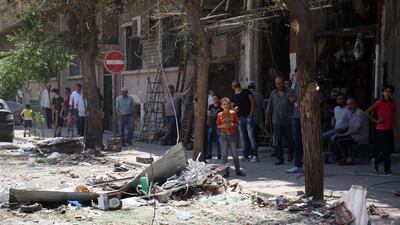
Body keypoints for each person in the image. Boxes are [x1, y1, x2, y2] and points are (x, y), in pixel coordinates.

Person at [365, 84, 396, 175]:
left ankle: (376, 160)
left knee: (390, 150)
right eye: (386, 91)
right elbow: (366, 112)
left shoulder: (393, 104)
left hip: (390, 130)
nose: (387, 93)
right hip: (381, 129)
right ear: (383, 92)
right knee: (386, 150)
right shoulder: (379, 102)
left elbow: (394, 117)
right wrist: (376, 120)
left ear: (391, 93)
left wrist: (396, 129)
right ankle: (387, 170)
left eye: (389, 91)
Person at [265, 77, 295, 165]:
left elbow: (295, 104)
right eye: (278, 83)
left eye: (281, 83)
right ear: (275, 84)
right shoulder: (273, 93)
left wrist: (292, 100)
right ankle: (280, 159)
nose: (280, 85)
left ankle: (290, 153)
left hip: (288, 120)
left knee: (290, 139)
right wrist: (266, 120)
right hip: (276, 121)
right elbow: (269, 108)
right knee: (278, 140)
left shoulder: (290, 91)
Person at [333, 98, 369, 165]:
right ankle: (344, 157)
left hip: (360, 137)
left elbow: (357, 130)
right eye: (348, 104)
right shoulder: (352, 113)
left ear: (356, 104)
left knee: (338, 140)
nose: (350, 106)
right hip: (354, 136)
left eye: (352, 104)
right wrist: (344, 133)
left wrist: (345, 134)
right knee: (337, 138)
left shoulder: (359, 113)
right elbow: (351, 127)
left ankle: (347, 159)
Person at [231, 80, 258, 162]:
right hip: (240, 117)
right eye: (233, 84)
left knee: (251, 137)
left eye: (235, 84)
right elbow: (232, 107)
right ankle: (245, 154)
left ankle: (255, 155)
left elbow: (252, 102)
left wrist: (251, 113)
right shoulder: (234, 96)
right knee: (243, 138)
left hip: (247, 116)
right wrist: (235, 112)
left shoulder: (246, 91)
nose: (234, 86)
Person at [216, 97, 244, 177]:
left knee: (235, 154)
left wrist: (233, 124)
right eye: (224, 104)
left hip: (232, 135)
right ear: (221, 106)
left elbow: (237, 124)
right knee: (224, 155)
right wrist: (222, 125)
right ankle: (226, 172)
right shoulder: (219, 114)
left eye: (227, 104)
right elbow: (217, 126)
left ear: (229, 105)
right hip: (223, 135)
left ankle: (238, 171)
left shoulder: (233, 113)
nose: (226, 106)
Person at [287, 70, 303, 173]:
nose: (296, 76)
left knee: (307, 141)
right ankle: (298, 165)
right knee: (297, 141)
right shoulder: (295, 84)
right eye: (295, 74)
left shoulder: (312, 83)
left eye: (298, 74)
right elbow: (291, 98)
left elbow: (318, 99)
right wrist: (292, 100)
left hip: (308, 116)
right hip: (296, 115)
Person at [207, 94, 223, 159]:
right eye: (213, 99)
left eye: (215, 98)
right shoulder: (210, 106)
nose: (214, 100)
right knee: (209, 140)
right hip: (211, 124)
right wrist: (208, 122)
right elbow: (209, 115)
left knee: (218, 141)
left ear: (218, 99)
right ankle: (209, 154)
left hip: (218, 126)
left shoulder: (221, 107)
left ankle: (219, 155)